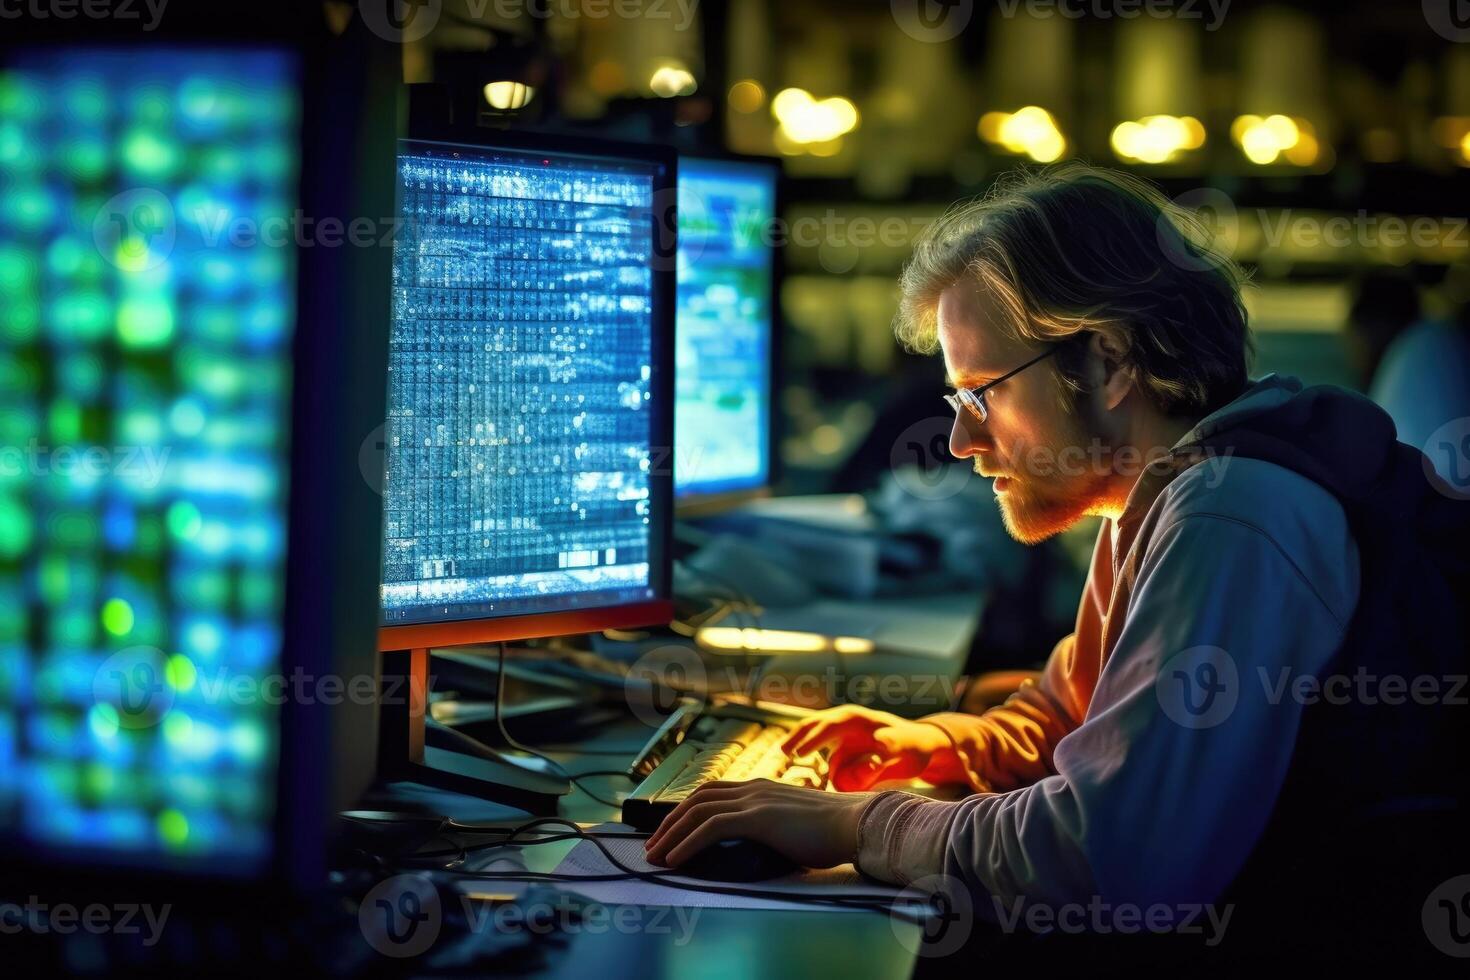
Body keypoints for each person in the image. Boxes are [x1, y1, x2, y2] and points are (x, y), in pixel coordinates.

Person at [643, 163, 1469, 960]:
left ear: (1109, 362)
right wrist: (945, 745)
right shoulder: (1160, 491)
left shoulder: (1232, 512)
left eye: (983, 393)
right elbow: (1073, 708)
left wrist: (857, 825)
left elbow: (1112, 860)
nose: (962, 441)